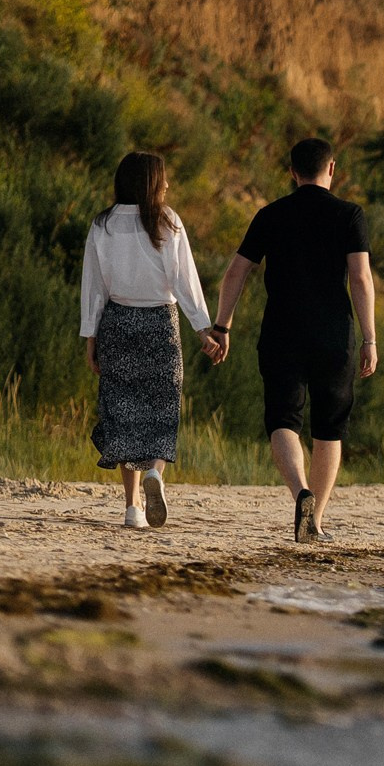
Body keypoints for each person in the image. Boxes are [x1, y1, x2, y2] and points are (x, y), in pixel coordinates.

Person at [210, 136, 378, 541]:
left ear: (292, 172)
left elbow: (236, 272)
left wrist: (222, 326)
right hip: (334, 335)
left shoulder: (271, 214)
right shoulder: (350, 215)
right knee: (329, 427)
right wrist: (370, 338)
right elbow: (360, 278)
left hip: (281, 331)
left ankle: (300, 491)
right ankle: (314, 521)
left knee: (283, 419)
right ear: (332, 168)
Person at [81, 151, 224, 531]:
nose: (168, 185)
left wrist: (90, 336)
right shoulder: (167, 221)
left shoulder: (103, 224)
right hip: (161, 323)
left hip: (117, 324)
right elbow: (184, 280)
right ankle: (155, 473)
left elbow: (93, 286)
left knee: (123, 414)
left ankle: (132, 508)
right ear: (150, 183)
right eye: (164, 179)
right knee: (163, 410)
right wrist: (203, 328)